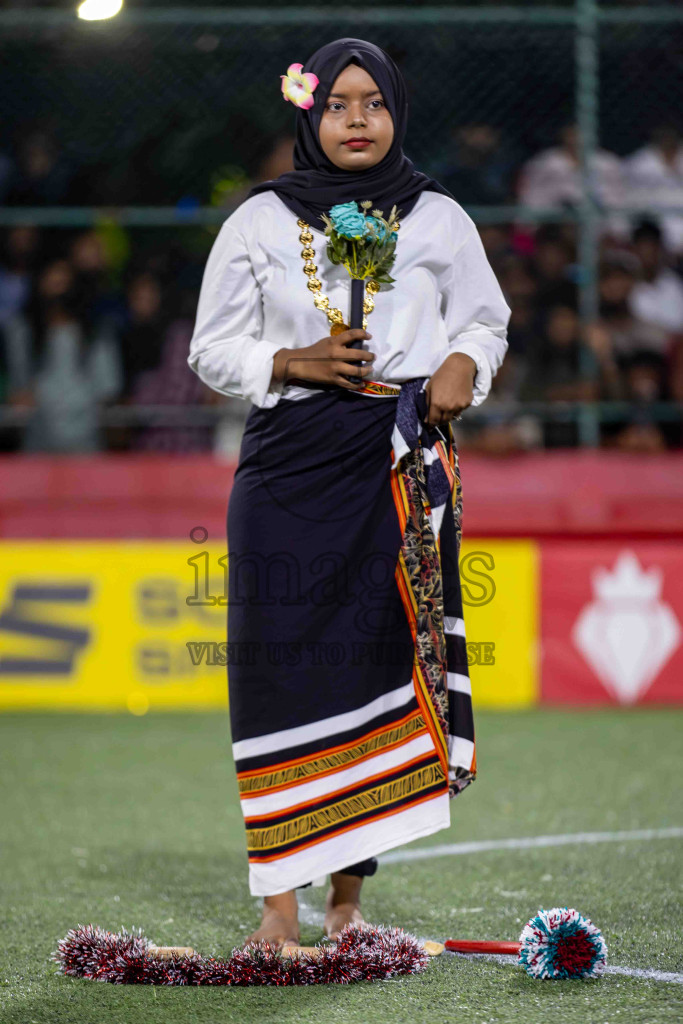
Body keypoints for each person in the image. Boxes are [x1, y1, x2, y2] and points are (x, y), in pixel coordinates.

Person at [188, 38, 510, 949]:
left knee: (373, 663)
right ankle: (278, 905)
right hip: (286, 465)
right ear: (309, 116)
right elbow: (210, 349)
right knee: (276, 671)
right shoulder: (256, 221)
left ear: (396, 113)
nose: (357, 119)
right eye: (337, 104)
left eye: (373, 103)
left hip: (393, 461)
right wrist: (288, 359)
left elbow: (486, 320)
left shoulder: (439, 217)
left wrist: (462, 362)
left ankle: (346, 901)